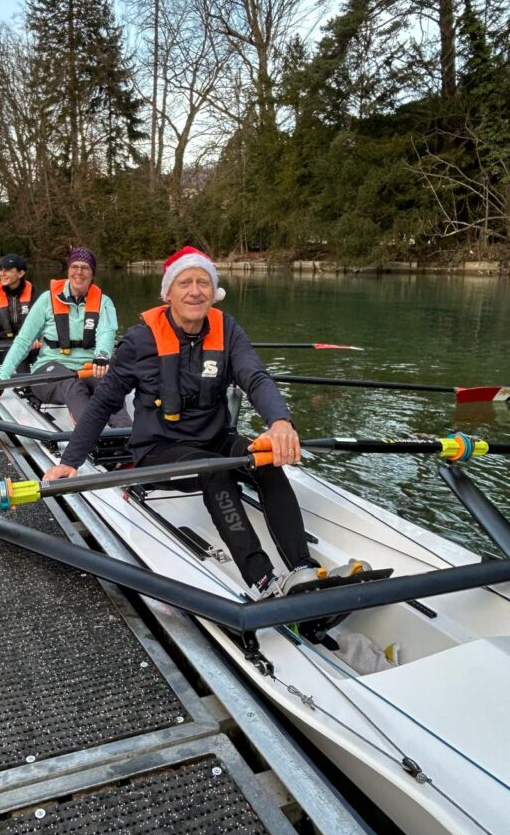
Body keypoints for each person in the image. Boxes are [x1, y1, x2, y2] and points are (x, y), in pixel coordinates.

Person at [44, 246, 367, 598]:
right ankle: (264, 581)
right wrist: (70, 461)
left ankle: (302, 569)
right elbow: (104, 402)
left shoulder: (228, 330)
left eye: (203, 282)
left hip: (215, 439)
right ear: (168, 293)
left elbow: (256, 377)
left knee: (267, 461)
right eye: (185, 283)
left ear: (214, 292)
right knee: (214, 471)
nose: (195, 291)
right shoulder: (140, 341)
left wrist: (279, 422)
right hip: (158, 450)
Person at [0, 248, 131, 426]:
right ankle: (90, 431)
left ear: (92, 273)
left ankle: (125, 432)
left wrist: (102, 355)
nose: (79, 272)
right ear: (68, 270)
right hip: (50, 368)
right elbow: (23, 341)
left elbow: (106, 332)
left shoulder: (104, 302)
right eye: (74, 267)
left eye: (85, 268)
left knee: (111, 388)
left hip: (89, 367)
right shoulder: (46, 300)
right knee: (72, 384)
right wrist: (2, 378)